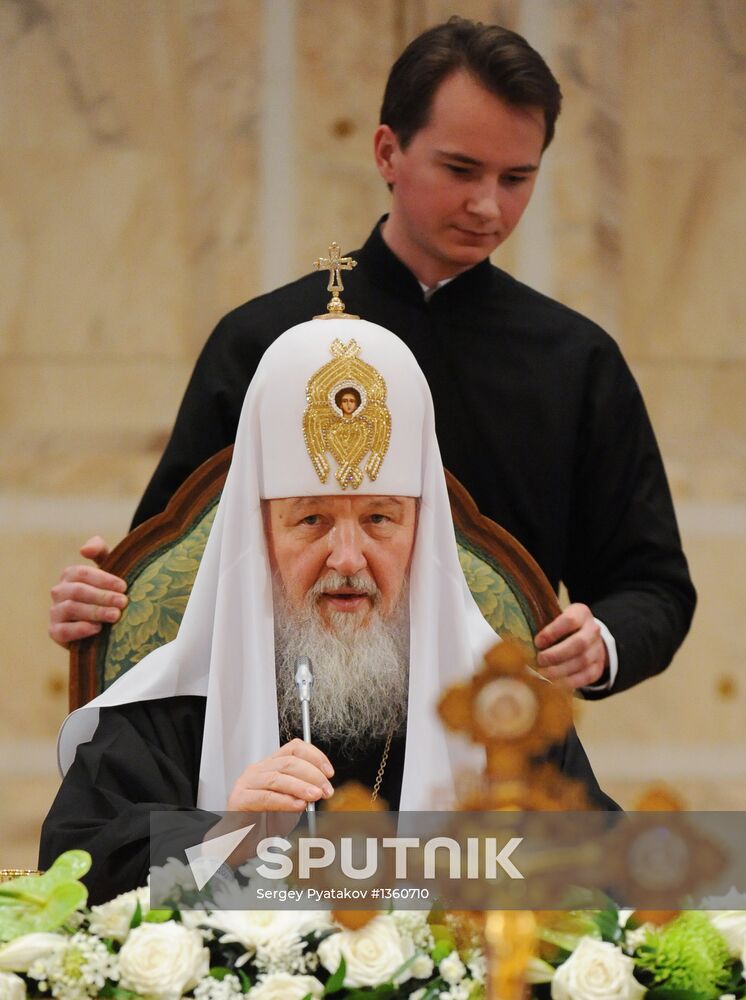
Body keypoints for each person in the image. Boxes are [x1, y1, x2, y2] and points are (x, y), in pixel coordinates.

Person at [48, 17, 695, 698]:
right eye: (461, 169)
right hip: (281, 748)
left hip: (495, 750)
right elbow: (173, 568)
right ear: (388, 152)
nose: (487, 204)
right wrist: (97, 603)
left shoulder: (577, 360)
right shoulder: (263, 341)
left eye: (516, 177)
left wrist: (603, 643)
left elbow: (652, 585)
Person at [40, 316, 616, 903]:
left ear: (423, 533)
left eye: (379, 520)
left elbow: (607, 873)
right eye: (311, 519)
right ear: (259, 534)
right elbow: (76, 866)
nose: (347, 558)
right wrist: (222, 837)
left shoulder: (506, 717)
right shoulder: (172, 707)